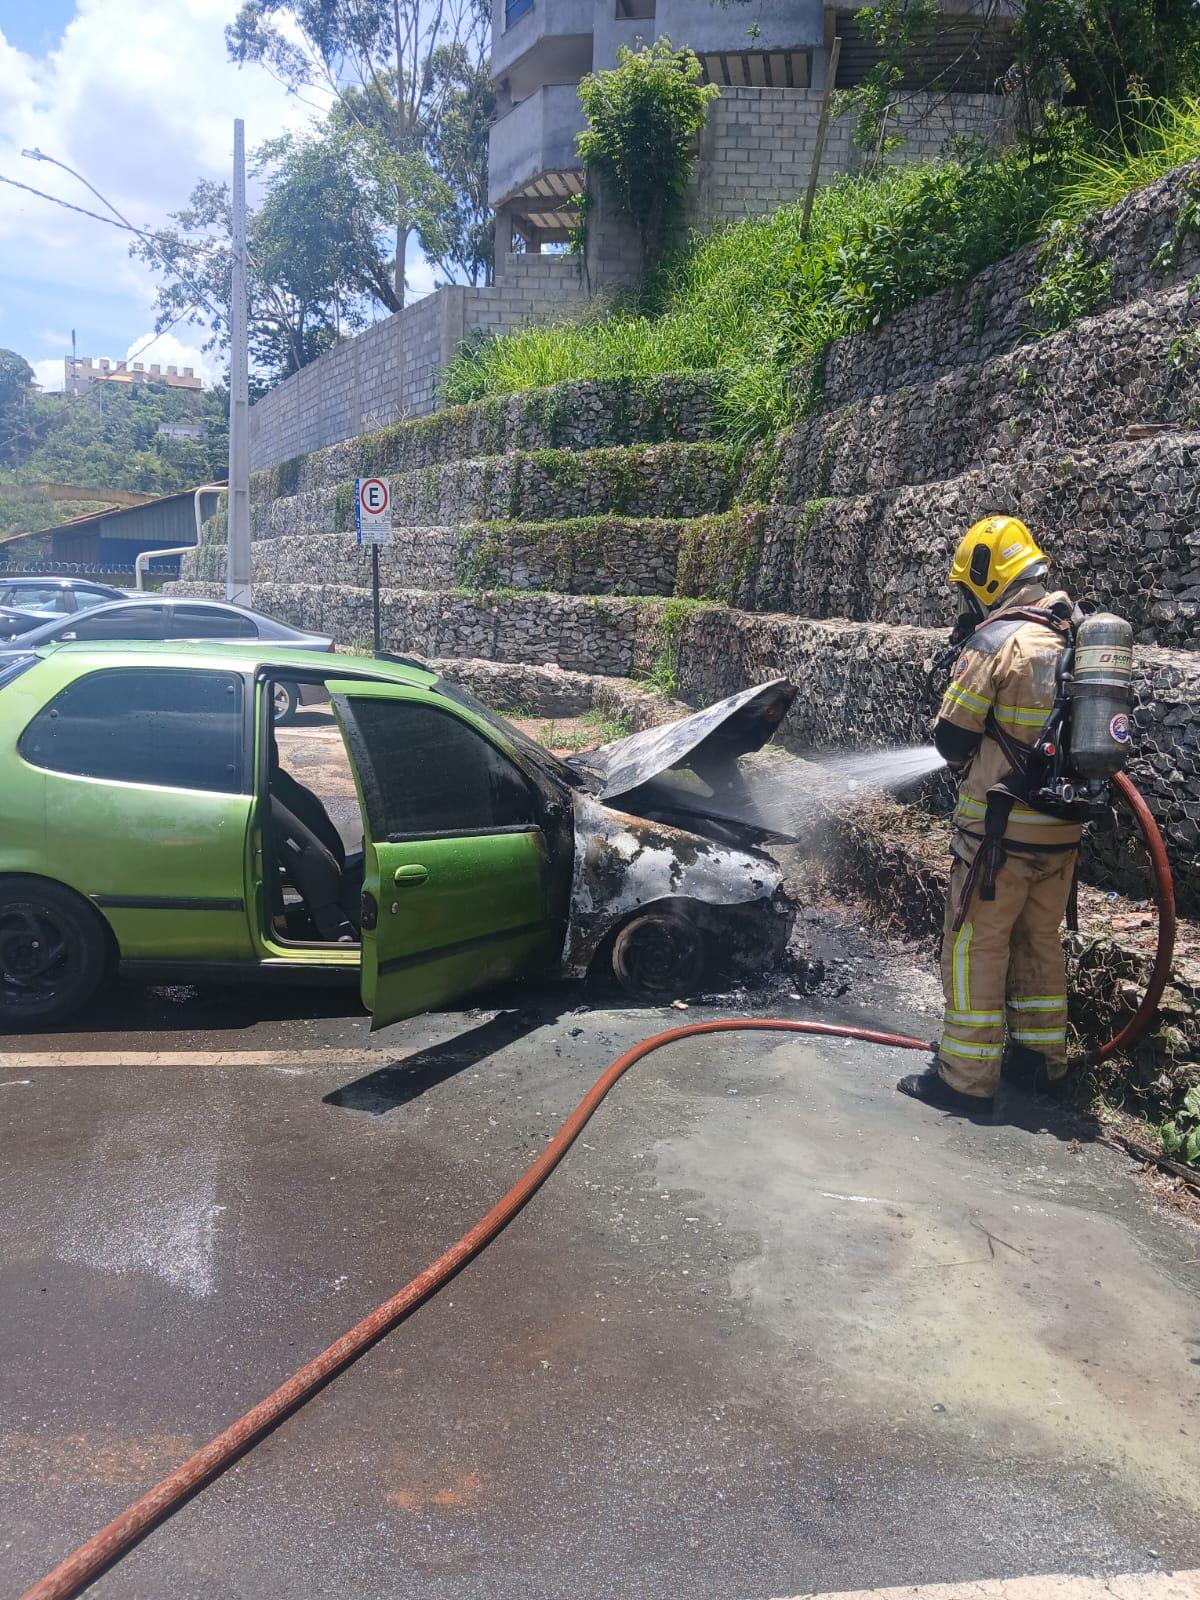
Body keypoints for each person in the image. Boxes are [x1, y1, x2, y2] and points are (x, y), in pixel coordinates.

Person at [898, 516, 1082, 1117]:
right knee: (1039, 941)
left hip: (997, 836)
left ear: (986, 575)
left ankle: (965, 1081)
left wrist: (963, 660)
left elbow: (952, 741)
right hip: (1062, 833)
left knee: (975, 945)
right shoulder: (1072, 634)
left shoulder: (997, 641)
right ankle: (1039, 1066)